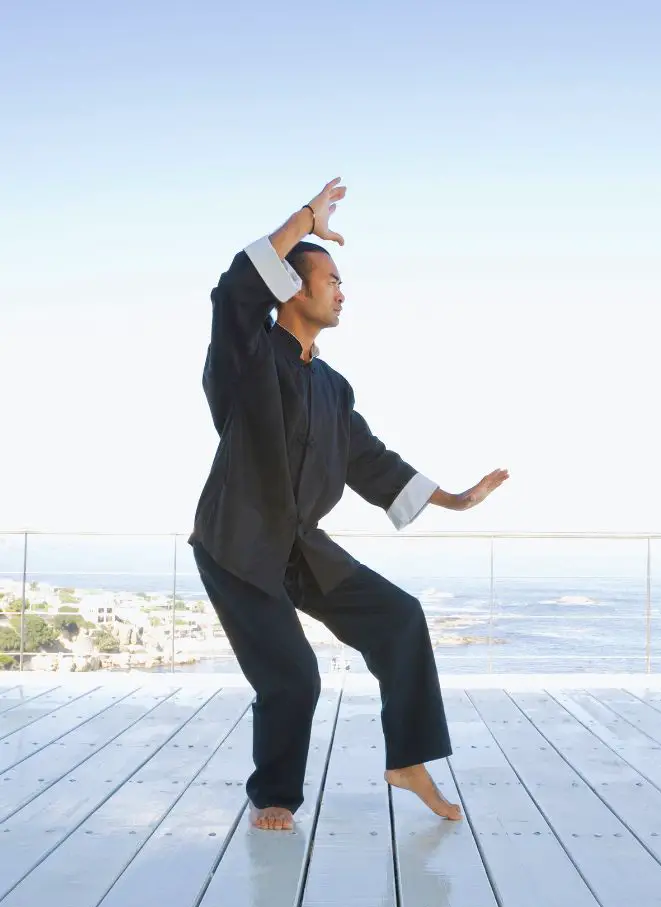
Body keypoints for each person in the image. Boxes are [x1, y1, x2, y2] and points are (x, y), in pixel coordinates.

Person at [189, 178, 509, 831]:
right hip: (237, 543)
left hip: (298, 545)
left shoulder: (332, 387)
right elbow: (235, 289)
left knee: (399, 617)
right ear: (291, 290)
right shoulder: (247, 355)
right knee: (295, 678)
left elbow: (369, 460)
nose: (342, 290)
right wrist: (307, 217)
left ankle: (409, 760)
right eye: (329, 278)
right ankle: (274, 794)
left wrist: (455, 499)